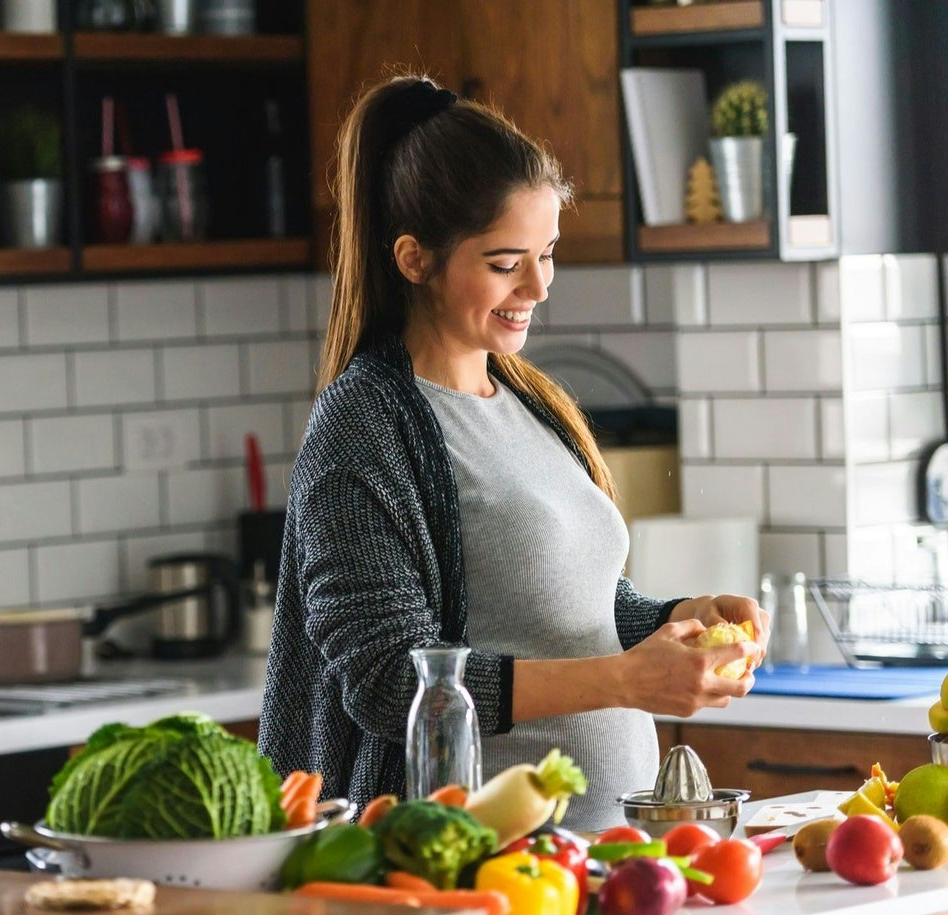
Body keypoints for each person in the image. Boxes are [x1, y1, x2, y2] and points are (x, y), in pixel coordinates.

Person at [258, 74, 769, 830]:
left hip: (605, 851)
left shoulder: (531, 400)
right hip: (469, 861)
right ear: (414, 259)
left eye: (547, 253)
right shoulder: (364, 424)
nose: (538, 285)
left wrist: (673, 620)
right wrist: (628, 679)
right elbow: (389, 680)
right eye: (506, 263)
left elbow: (553, 607)